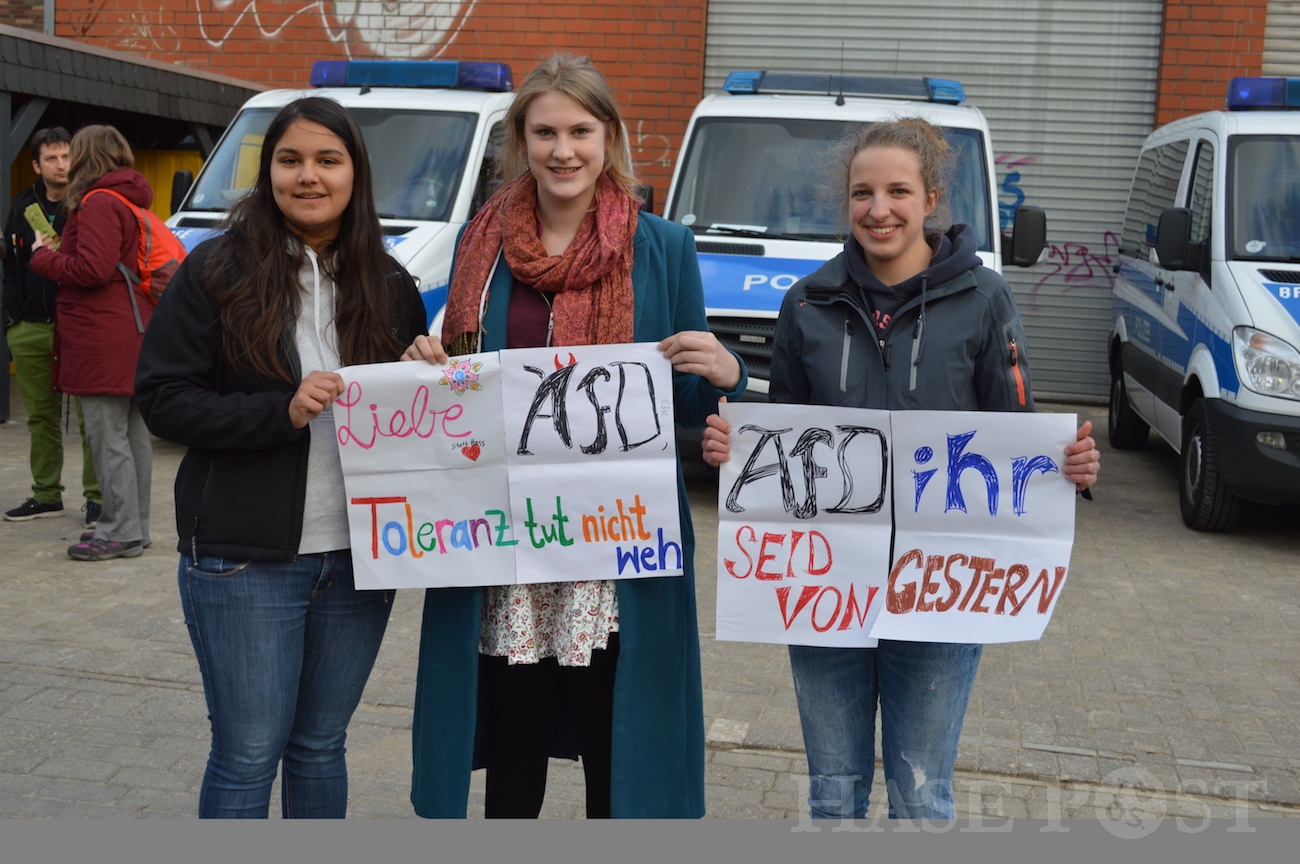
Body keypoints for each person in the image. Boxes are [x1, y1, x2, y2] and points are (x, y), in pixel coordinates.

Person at [701, 118, 1101, 821]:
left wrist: (1069, 466)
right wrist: (737, 453)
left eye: (896, 191)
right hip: (825, 587)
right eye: (862, 192)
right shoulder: (806, 303)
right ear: (845, 202)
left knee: (921, 796)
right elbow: (788, 432)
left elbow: (1014, 430)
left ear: (931, 200)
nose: (878, 208)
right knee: (832, 793)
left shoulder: (983, 300)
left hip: (941, 591)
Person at [404, 53, 746, 819]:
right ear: (519, 140)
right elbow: (460, 380)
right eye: (545, 131)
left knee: (616, 750)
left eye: (581, 131)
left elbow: (685, 401)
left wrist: (726, 371)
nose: (563, 150)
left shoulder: (662, 247)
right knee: (514, 745)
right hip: (506, 540)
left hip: (615, 542)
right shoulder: (479, 247)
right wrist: (426, 367)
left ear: (609, 137)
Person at [133, 97, 427, 818]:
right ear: (267, 173)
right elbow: (162, 397)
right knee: (247, 754)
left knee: (322, 745)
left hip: (359, 559)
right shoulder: (216, 271)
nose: (308, 177)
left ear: (355, 173)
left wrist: (429, 372)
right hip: (244, 560)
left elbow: (416, 427)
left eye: (328, 160)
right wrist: (282, 411)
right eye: (290, 160)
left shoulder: (390, 286)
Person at [28, 125, 154, 561]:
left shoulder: (99, 201)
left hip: (102, 334)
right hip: (131, 329)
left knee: (107, 436)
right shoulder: (125, 197)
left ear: (86, 156)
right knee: (132, 433)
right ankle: (136, 527)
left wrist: (44, 257)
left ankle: (118, 531)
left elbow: (93, 270)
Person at [2, 127, 103, 528]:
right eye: (52, 159)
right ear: (36, 165)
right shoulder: (20, 206)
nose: (61, 166)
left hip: (77, 329)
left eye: (66, 157)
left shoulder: (89, 204)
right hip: (29, 327)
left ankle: (97, 500)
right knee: (39, 418)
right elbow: (11, 268)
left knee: (90, 418)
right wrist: (12, 320)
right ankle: (47, 496)